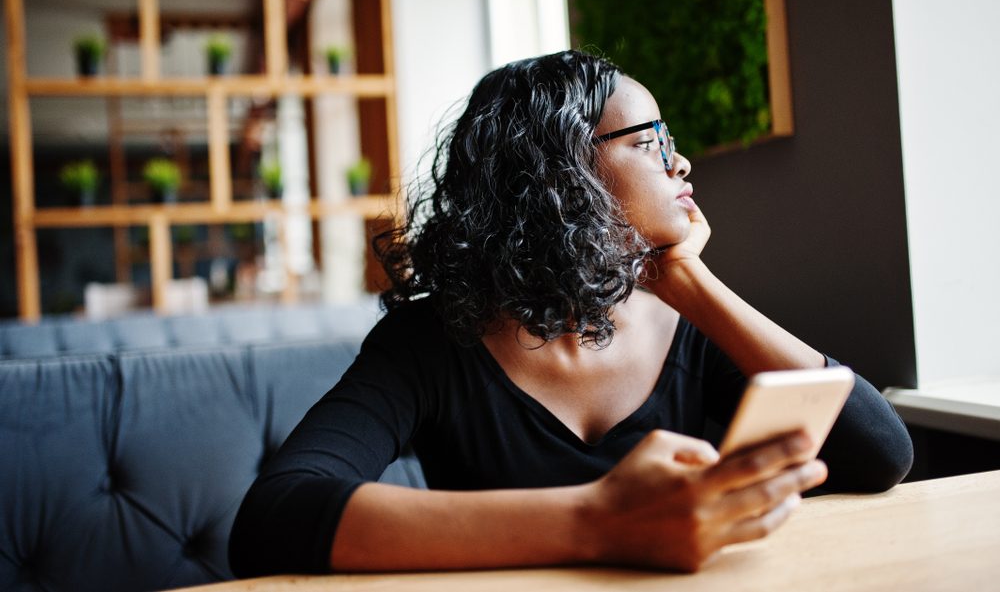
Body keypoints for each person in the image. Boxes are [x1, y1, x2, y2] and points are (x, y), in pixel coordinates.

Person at [229, 50, 912, 576]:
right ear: (560, 174)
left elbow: (879, 453)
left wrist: (690, 281)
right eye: (651, 142)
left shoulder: (688, 325)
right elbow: (275, 517)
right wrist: (600, 519)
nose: (682, 164)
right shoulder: (429, 342)